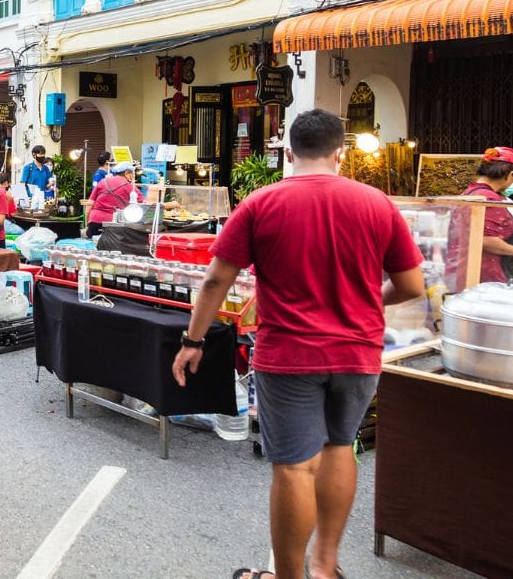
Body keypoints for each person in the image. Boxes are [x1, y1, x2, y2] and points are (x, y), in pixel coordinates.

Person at [172, 109, 424, 579]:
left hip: (289, 356)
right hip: (358, 353)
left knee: (292, 468)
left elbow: (214, 283)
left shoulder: (260, 204)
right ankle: (325, 567)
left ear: (288, 153)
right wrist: (366, 304)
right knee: (338, 448)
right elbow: (411, 286)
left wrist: (193, 340)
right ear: (341, 154)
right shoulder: (377, 203)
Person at [462, 146, 513, 283]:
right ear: (510, 173)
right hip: (487, 277)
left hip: (468, 272)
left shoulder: (470, 192)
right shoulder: (487, 198)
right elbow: (485, 239)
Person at [85, 161, 141, 236]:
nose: (133, 177)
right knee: (112, 247)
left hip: (95, 221)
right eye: (132, 174)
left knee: (91, 245)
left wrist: (87, 223)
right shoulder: (130, 186)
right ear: (127, 173)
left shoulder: (103, 182)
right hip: (115, 224)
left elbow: (90, 203)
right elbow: (142, 204)